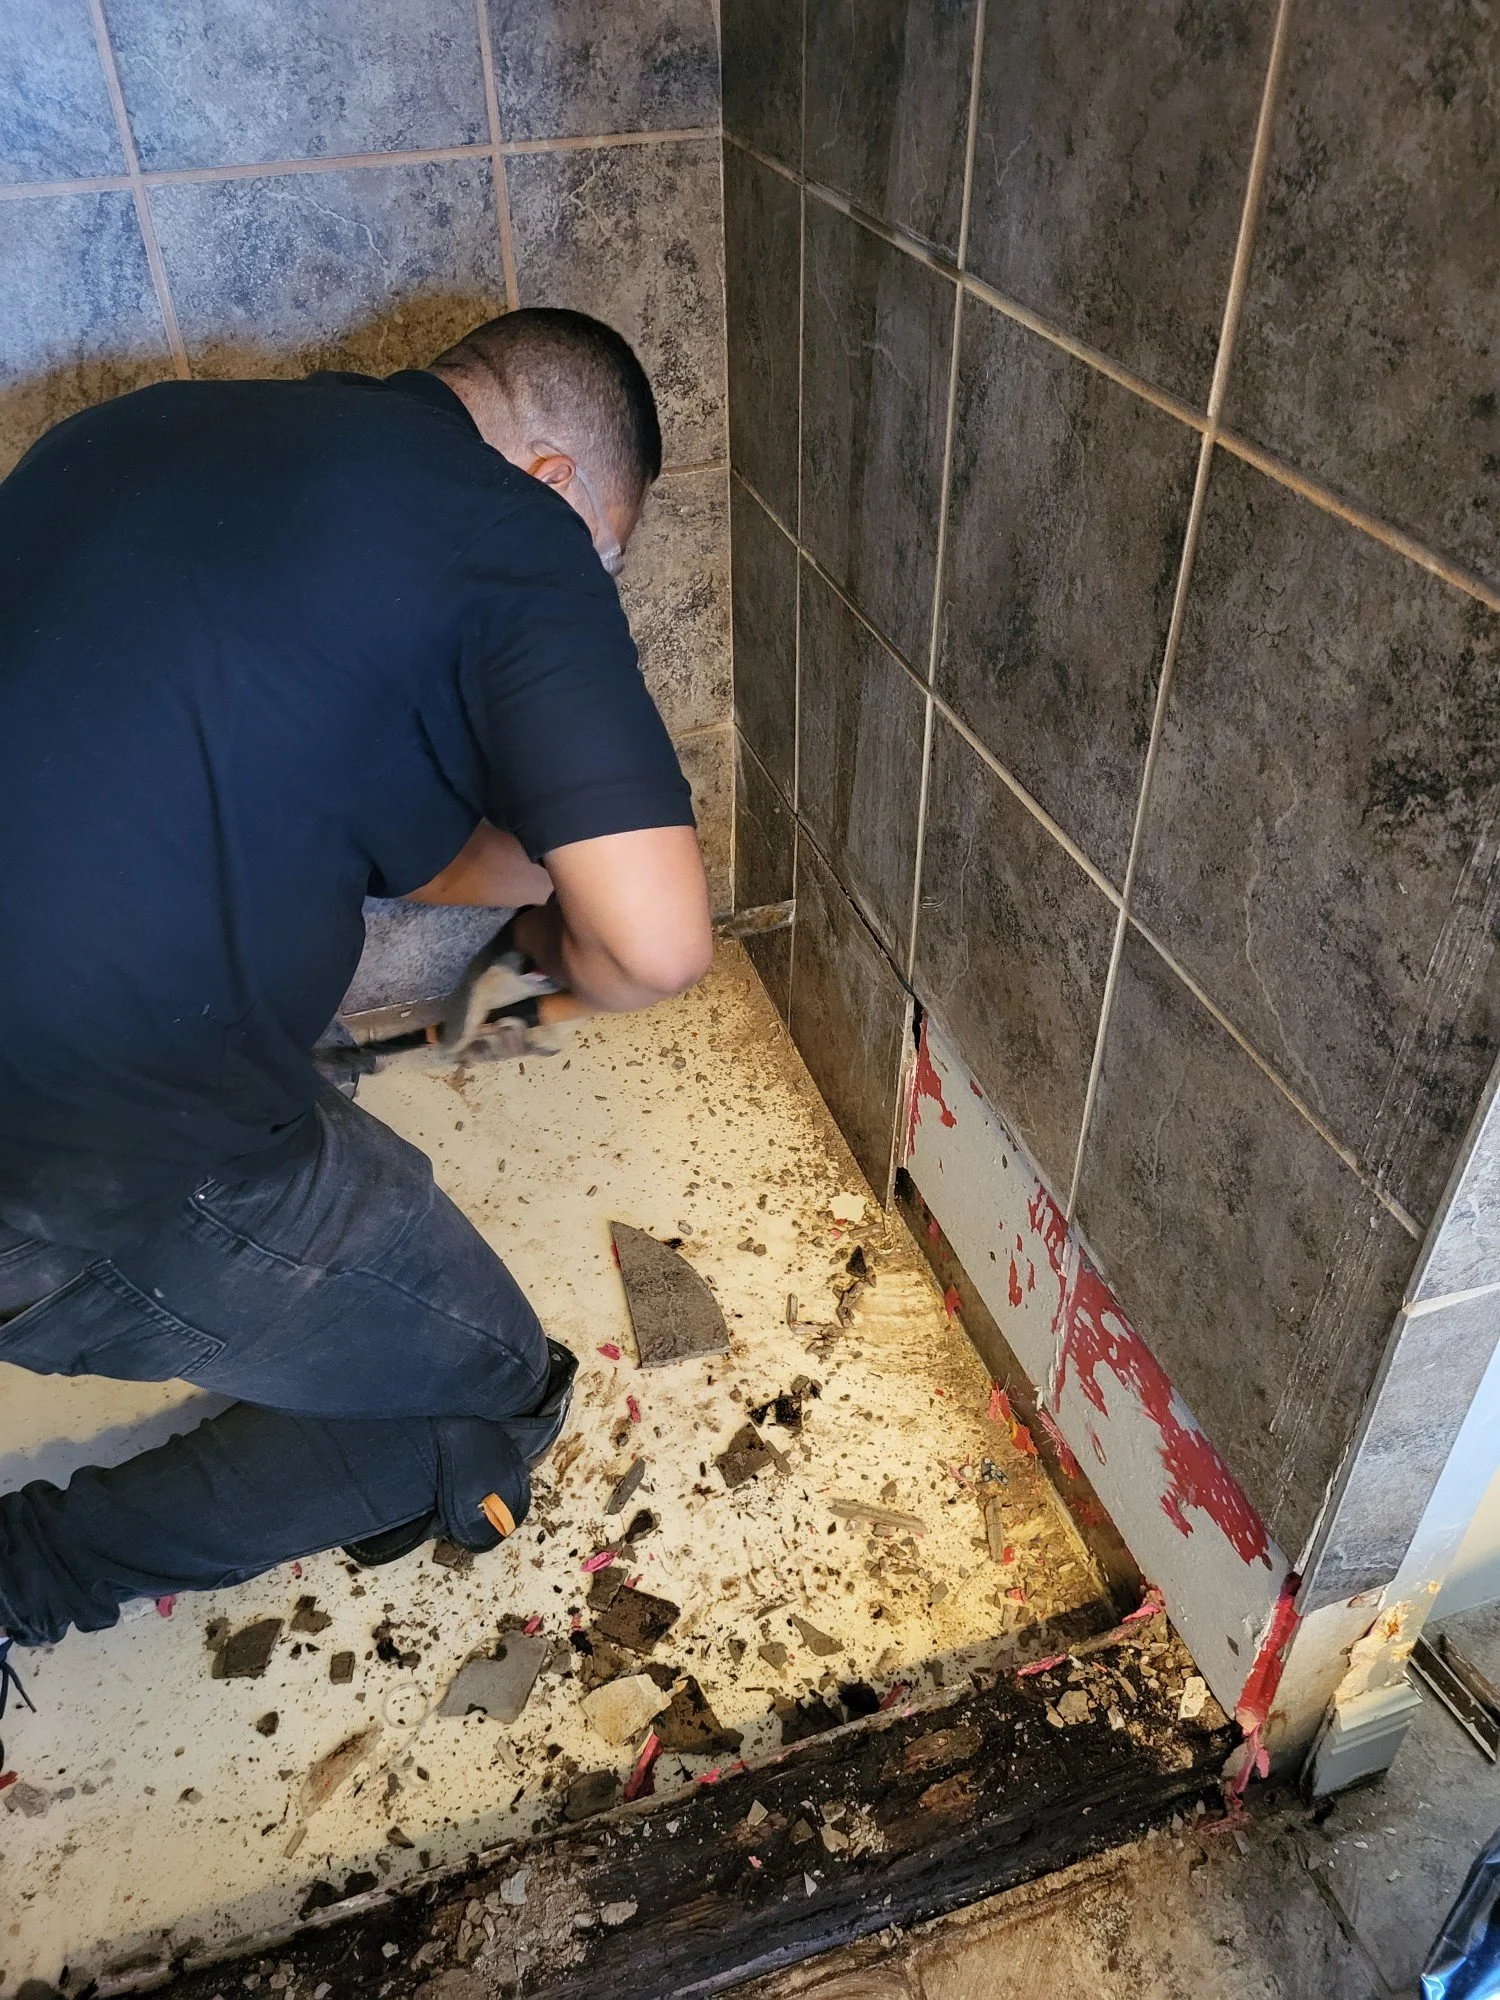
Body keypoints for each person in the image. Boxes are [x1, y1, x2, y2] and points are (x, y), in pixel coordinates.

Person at [0, 308, 713, 1685]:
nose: (592, 582)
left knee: (330, 1169)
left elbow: (435, 851)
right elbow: (663, 944)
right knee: (488, 1397)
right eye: (607, 558)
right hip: (59, 1178)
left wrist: (538, 897)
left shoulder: (143, 435)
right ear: (556, 479)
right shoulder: (513, 531)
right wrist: (550, 989)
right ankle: (29, 1575)